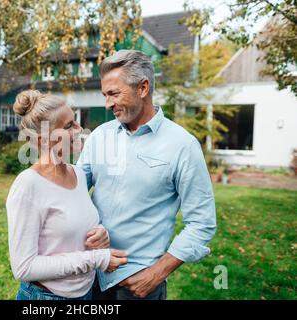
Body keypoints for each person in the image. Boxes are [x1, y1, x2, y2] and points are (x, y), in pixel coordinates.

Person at [77, 49, 217, 300]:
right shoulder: (99, 136)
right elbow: (72, 192)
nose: (108, 104)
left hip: (136, 285)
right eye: (105, 95)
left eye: (114, 93)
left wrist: (156, 274)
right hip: (88, 275)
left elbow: (202, 223)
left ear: (143, 88)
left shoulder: (182, 145)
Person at [6, 90, 128, 300]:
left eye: (76, 122)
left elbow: (75, 224)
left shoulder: (78, 174)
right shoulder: (28, 185)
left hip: (85, 294)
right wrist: (97, 259)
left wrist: (100, 234)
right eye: (69, 125)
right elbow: (23, 268)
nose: (80, 129)